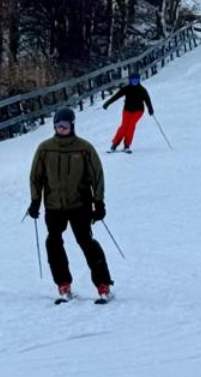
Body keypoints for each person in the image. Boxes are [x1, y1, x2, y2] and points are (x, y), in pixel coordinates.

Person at [27, 108, 112, 303]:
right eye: (58, 126)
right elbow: (36, 177)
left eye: (65, 126)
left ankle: (103, 283)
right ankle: (63, 283)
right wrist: (35, 201)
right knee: (54, 242)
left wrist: (99, 202)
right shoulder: (45, 148)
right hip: (54, 206)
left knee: (85, 241)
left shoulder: (84, 148)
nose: (61, 129)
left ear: (72, 125)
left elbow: (96, 176)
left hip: (80, 205)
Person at [101, 73, 156, 153]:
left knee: (131, 126)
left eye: (136, 80)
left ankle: (127, 145)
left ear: (138, 80)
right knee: (124, 126)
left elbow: (147, 100)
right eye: (133, 80)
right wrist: (107, 103)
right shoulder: (126, 89)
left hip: (138, 110)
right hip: (127, 109)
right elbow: (116, 96)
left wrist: (150, 109)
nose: (134, 82)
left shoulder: (142, 90)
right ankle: (114, 145)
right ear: (130, 80)